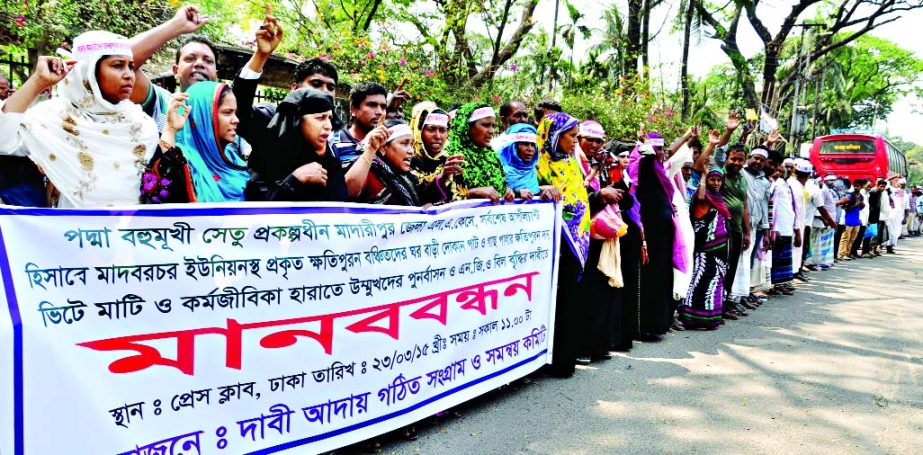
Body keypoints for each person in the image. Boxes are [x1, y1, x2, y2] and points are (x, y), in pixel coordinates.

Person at [0, 31, 158, 208]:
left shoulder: (141, 124)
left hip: (132, 230)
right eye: (117, 65)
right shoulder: (53, 117)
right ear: (87, 71)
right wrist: (38, 81)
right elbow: (3, 141)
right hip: (72, 232)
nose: (129, 74)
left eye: (131, 66)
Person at [535, 112, 589, 377]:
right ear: (555, 135)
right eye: (571, 136)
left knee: (570, 299)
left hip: (576, 239)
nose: (575, 142)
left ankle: (567, 358)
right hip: (553, 242)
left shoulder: (570, 163)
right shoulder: (539, 165)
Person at [146, 81, 248, 203]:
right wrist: (170, 129)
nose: (236, 120)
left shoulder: (234, 158)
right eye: (227, 112)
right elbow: (158, 197)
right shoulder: (180, 162)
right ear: (202, 116)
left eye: (235, 113)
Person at [628, 131, 677, 337]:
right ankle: (646, 325)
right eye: (656, 149)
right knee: (649, 277)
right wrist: (645, 149)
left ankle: (660, 324)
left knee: (662, 276)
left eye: (662, 149)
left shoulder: (659, 170)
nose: (661, 153)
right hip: (649, 233)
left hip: (663, 234)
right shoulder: (643, 166)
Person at [680, 165, 731, 330]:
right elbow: (700, 197)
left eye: (718, 180)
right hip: (705, 249)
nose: (716, 183)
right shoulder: (703, 197)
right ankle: (692, 318)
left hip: (720, 251)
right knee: (701, 282)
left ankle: (711, 318)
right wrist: (703, 176)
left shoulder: (719, 198)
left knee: (715, 284)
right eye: (712, 179)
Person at [355, 120, 448, 206]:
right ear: (383, 148)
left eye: (412, 145)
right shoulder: (369, 174)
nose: (411, 151)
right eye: (404, 143)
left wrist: (444, 176)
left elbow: (422, 202)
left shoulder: (408, 177)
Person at [443, 103, 514, 203]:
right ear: (467, 127)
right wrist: (474, 192)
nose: (491, 131)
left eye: (493, 126)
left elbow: (499, 186)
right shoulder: (450, 155)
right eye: (485, 125)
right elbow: (443, 196)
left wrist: (506, 191)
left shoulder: (490, 155)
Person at [734, 145, 772, 305]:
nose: (758, 162)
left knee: (748, 262)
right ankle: (732, 297)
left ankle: (742, 295)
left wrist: (766, 233)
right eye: (756, 158)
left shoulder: (764, 182)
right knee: (737, 262)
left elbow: (764, 206)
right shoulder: (740, 173)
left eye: (762, 160)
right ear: (749, 157)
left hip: (755, 227)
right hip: (739, 225)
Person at [409, 103, 464, 201]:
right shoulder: (407, 161)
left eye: (443, 130)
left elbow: (462, 197)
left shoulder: (449, 162)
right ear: (419, 132)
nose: (438, 136)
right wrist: (443, 177)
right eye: (431, 129)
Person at [768, 152, 799, 296]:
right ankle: (774, 284)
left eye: (783, 170)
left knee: (784, 258)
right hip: (779, 227)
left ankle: (781, 284)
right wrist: (776, 228)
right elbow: (773, 207)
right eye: (778, 170)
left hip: (788, 227)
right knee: (777, 258)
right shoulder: (776, 184)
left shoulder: (786, 184)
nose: (780, 172)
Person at [497, 123, 542, 199]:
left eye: (533, 145)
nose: (530, 149)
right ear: (514, 147)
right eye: (525, 144)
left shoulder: (533, 171)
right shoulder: (499, 168)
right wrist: (517, 193)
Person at [575, 120, 608, 191]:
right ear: (579, 139)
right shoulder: (570, 161)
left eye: (598, 141)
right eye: (590, 139)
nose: (594, 145)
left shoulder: (602, 160)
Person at [837, 178, 865, 260]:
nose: (856, 188)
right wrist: (854, 205)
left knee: (852, 239)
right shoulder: (850, 195)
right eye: (855, 186)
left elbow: (860, 208)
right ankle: (841, 253)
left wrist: (862, 205)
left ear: (861, 187)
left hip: (856, 220)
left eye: (858, 186)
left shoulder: (861, 197)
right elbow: (844, 207)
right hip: (848, 219)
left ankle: (848, 253)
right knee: (845, 238)